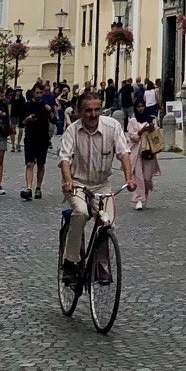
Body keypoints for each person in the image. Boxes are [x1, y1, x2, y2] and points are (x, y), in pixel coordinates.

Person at [57, 91, 135, 277]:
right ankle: (71, 261)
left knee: (106, 222)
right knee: (81, 212)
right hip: (77, 183)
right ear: (79, 111)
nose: (93, 115)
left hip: (101, 184)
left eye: (97, 110)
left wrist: (129, 178)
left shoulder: (112, 126)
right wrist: (68, 181)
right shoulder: (72, 131)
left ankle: (101, 264)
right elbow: (65, 159)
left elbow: (124, 153)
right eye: (88, 110)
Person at [20, 86, 52, 202]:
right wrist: (27, 119)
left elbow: (54, 120)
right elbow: (21, 123)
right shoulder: (27, 106)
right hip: (30, 138)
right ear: (33, 93)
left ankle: (38, 187)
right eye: (37, 93)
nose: (39, 95)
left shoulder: (45, 106)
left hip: (43, 138)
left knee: (41, 164)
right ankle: (28, 188)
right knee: (29, 164)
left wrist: (50, 111)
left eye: (41, 93)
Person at [127, 103, 160, 210]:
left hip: (149, 151)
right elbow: (132, 136)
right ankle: (139, 199)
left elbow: (156, 134)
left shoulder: (151, 119)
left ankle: (145, 195)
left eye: (142, 106)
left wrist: (151, 129)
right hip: (137, 152)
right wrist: (141, 131)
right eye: (138, 106)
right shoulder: (133, 121)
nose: (140, 108)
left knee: (147, 177)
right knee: (138, 177)